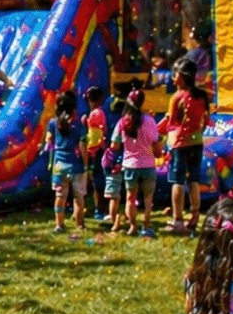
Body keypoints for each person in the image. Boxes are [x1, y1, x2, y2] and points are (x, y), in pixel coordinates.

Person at [165, 58, 209, 232]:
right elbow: (206, 121)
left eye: (175, 74)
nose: (173, 77)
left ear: (181, 77)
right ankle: (195, 216)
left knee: (177, 181)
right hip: (197, 143)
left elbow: (172, 122)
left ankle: (178, 221)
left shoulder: (177, 97)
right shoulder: (202, 96)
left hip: (179, 144)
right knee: (193, 181)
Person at [113, 89, 162, 237]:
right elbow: (157, 144)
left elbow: (114, 144)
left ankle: (132, 226)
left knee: (130, 197)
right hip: (148, 165)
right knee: (148, 199)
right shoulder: (150, 121)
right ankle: (146, 226)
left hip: (130, 165)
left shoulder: (123, 121)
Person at [47, 90, 88, 234]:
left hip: (59, 165)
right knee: (78, 197)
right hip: (76, 165)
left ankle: (59, 224)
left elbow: (48, 139)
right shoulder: (78, 125)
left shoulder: (53, 123)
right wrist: (85, 163)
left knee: (60, 196)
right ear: (73, 109)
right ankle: (80, 224)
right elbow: (83, 145)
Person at [82, 86, 112, 219]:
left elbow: (95, 136)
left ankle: (99, 209)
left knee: (97, 181)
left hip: (97, 151)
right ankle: (99, 208)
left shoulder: (95, 113)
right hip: (100, 150)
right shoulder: (100, 112)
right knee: (98, 181)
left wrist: (92, 150)